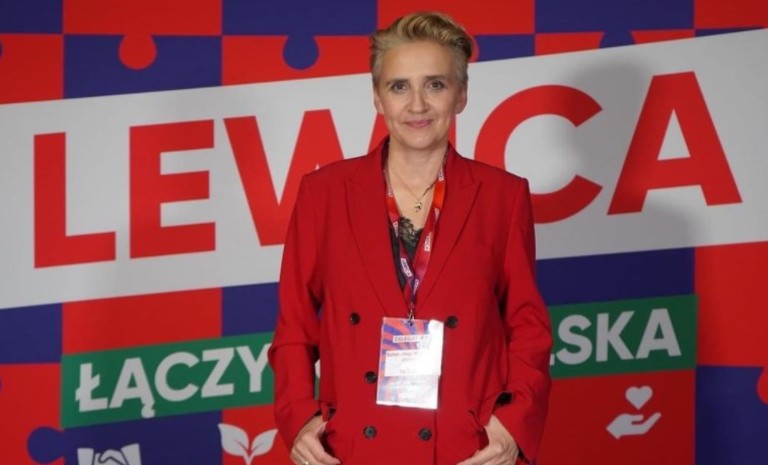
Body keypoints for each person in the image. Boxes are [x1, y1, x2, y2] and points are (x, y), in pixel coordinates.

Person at [268, 11, 552, 465]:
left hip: (468, 447)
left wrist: (512, 424)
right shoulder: (324, 193)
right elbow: (294, 326)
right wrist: (300, 418)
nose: (417, 105)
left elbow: (527, 327)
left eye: (435, 85)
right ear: (377, 97)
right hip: (353, 448)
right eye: (399, 86)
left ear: (461, 95)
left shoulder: (504, 195)